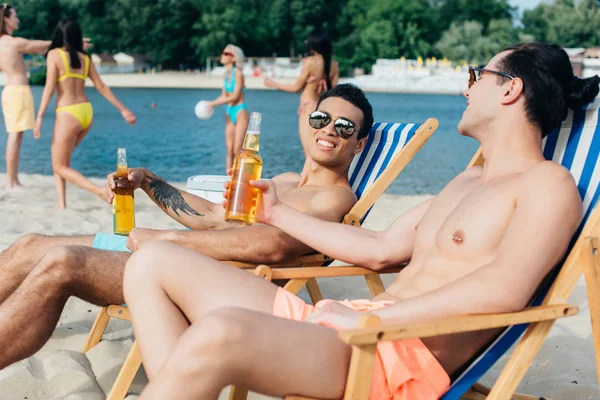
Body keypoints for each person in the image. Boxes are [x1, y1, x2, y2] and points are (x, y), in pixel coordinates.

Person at [123, 43, 600, 400]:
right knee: (153, 262)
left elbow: (505, 289)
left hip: (391, 355)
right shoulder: (463, 184)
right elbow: (378, 250)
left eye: (477, 74)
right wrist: (277, 213)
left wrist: (372, 316)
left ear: (511, 88)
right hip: (351, 327)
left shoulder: (546, 184)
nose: (466, 86)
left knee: (220, 330)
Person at [0, 83, 373, 370]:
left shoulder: (335, 198)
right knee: (30, 244)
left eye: (345, 126)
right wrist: (148, 181)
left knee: (63, 262)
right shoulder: (289, 180)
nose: (330, 131)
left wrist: (164, 240)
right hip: (174, 254)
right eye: (321, 119)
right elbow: (213, 216)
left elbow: (273, 245)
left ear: (359, 144)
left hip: (198, 278)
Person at [34, 19, 136, 209]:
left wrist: (39, 116)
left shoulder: (54, 55)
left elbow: (49, 87)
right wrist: (123, 109)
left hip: (68, 113)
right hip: (86, 113)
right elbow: (101, 86)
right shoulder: (85, 58)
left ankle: (99, 191)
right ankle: (61, 202)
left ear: (58, 35)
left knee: (58, 165)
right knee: (61, 159)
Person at [0, 4, 54, 190]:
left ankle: (13, 180)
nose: (18, 20)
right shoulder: (12, 42)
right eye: (15, 16)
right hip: (18, 92)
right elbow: (35, 44)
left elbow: (32, 49)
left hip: (10, 91)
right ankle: (11, 182)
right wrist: (66, 40)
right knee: (15, 135)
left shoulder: (4, 44)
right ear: (6, 19)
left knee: (16, 135)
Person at [265, 29, 339, 157]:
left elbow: (295, 88)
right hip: (322, 109)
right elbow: (334, 93)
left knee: (308, 150)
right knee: (317, 150)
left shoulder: (311, 62)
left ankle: (309, 177)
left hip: (308, 107)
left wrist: (273, 84)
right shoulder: (334, 65)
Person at [207, 44, 249, 171]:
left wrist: (213, 103)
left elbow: (235, 96)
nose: (223, 55)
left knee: (238, 149)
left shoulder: (238, 73)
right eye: (223, 52)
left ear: (234, 58)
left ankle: (241, 177)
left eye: (226, 54)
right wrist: (210, 103)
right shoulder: (225, 75)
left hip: (240, 111)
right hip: (229, 112)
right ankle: (229, 181)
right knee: (229, 150)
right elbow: (224, 96)